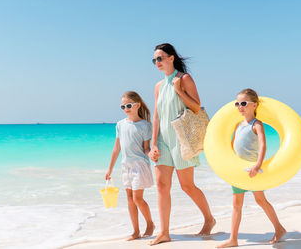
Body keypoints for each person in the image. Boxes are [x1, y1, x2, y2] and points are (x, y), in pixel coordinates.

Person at [148, 43, 216, 245]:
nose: (157, 63)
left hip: (181, 138)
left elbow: (196, 107)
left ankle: (209, 219)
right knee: (161, 185)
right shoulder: (158, 86)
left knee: (187, 185)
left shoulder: (184, 79)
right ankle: (164, 232)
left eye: (160, 58)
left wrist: (179, 90)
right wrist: (153, 144)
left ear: (171, 58)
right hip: (163, 139)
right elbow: (157, 117)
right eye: (154, 60)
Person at [216, 88, 286, 248]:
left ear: (254, 105)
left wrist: (258, 165)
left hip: (253, 171)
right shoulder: (237, 125)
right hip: (239, 171)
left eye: (243, 103)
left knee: (261, 200)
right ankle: (233, 238)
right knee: (236, 204)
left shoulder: (257, 124)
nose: (240, 106)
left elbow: (263, 145)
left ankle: (279, 228)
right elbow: (231, 146)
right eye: (237, 103)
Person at [105, 91, 155, 241]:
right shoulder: (120, 125)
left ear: (137, 105)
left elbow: (146, 148)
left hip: (140, 165)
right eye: (123, 106)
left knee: (138, 198)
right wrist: (110, 169)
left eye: (128, 105)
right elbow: (116, 149)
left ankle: (150, 224)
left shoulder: (145, 125)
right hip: (125, 166)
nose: (125, 109)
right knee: (129, 198)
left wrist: (151, 153)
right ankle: (136, 231)